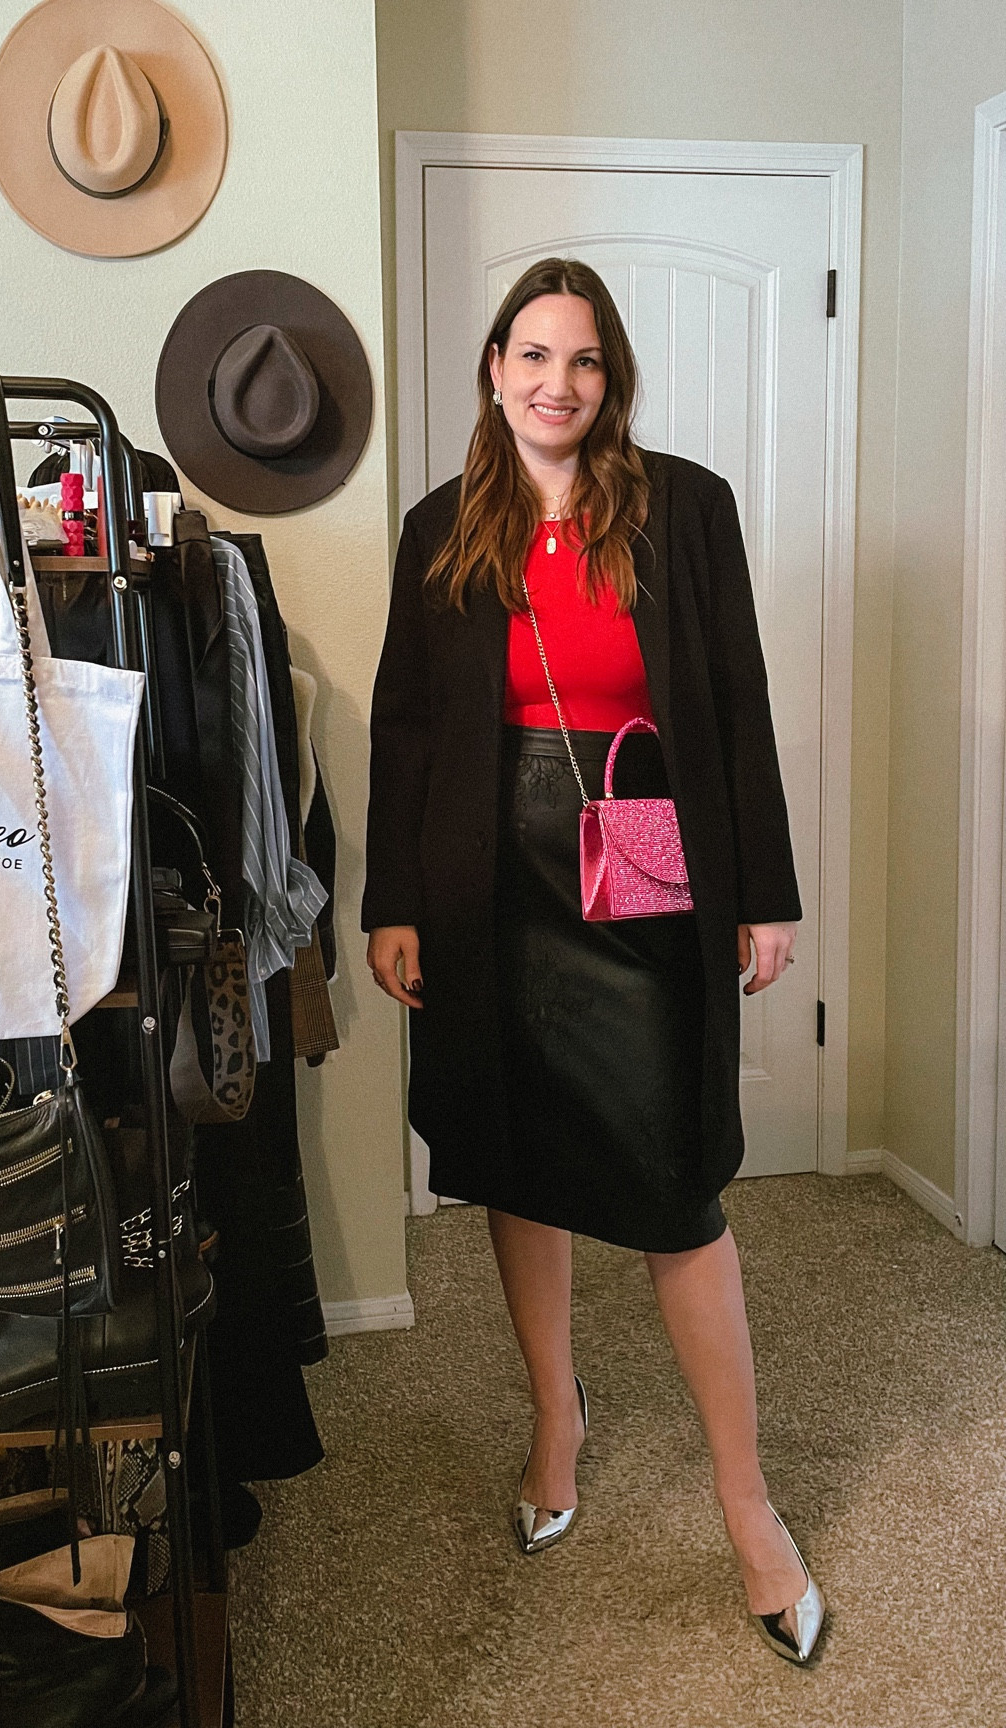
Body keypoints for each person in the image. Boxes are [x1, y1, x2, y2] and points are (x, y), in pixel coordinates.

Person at [362, 257, 825, 1665]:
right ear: (496, 369)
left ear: (609, 378)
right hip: (487, 880)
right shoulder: (441, 527)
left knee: (676, 1180)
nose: (555, 382)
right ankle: (555, 1419)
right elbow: (406, 726)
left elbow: (737, 700)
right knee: (518, 1155)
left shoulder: (686, 507)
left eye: (582, 359)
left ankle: (747, 1501)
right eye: (533, 354)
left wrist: (764, 892)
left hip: (640, 848)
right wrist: (394, 899)